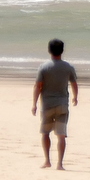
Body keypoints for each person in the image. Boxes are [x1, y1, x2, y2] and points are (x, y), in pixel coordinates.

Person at [32, 38, 79, 170]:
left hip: (47, 105)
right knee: (61, 134)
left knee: (45, 133)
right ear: (62, 51)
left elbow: (38, 86)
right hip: (62, 105)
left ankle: (47, 160)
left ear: (49, 50)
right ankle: (60, 164)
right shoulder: (68, 67)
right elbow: (74, 84)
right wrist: (75, 97)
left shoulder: (44, 67)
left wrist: (34, 103)